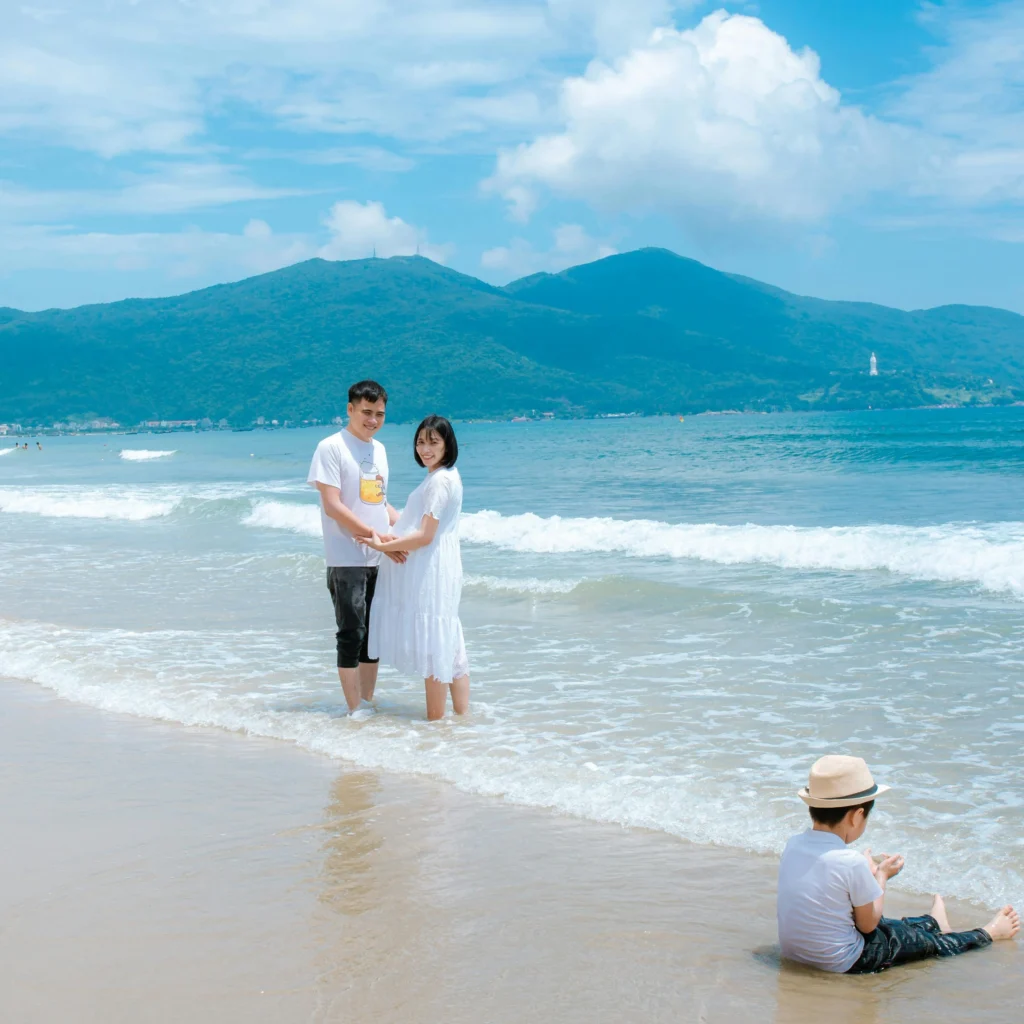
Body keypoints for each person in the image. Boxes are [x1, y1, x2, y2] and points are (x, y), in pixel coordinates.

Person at [777, 754, 1019, 974]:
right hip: (845, 961)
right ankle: (990, 932)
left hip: (797, 953)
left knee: (892, 928)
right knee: (925, 944)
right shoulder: (850, 862)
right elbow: (868, 924)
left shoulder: (794, 844)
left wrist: (866, 874)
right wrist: (881, 876)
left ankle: (933, 922)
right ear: (856, 815)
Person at [363, 415, 470, 721]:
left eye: (433, 442)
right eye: (421, 442)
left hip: (432, 567)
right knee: (448, 638)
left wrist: (384, 547)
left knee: (435, 642)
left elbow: (424, 536)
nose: (425, 448)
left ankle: (436, 722)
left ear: (447, 444)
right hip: (440, 563)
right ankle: (463, 720)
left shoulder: (439, 481)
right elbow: (409, 522)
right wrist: (382, 507)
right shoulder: (445, 476)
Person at [307, 380, 404, 716]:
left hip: (378, 556)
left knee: (373, 635)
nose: (373, 420)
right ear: (350, 409)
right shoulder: (331, 447)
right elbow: (333, 506)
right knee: (351, 633)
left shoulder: (380, 450)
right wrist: (374, 535)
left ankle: (367, 700)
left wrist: (405, 528)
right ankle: (353, 709)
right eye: (366, 412)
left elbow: (379, 500)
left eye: (379, 414)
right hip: (345, 556)